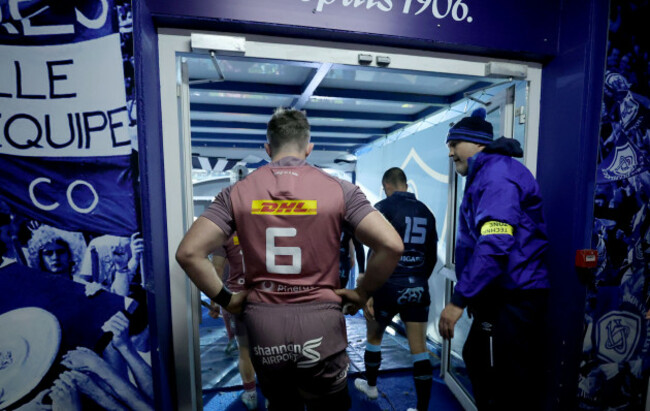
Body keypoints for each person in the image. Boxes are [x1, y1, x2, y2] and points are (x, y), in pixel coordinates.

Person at [176, 107, 403, 411]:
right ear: (309, 148)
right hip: (320, 322)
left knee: (282, 405)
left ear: (267, 149)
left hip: (264, 323)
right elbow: (391, 245)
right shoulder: (340, 190)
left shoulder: (236, 193)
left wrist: (228, 300)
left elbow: (189, 253)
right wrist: (363, 293)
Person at [437, 108, 550, 410]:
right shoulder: (486, 174)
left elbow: (495, 244)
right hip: (502, 295)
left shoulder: (497, 175)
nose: (450, 153)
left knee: (501, 381)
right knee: (480, 360)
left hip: (514, 297)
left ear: (477, 144)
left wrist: (458, 301)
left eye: (454, 144)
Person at [354, 167, 438, 411]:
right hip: (417, 286)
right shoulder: (427, 212)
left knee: (374, 337)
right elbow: (431, 256)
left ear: (386, 186)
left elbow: (375, 250)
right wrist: (418, 278)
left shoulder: (382, 208)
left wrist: (368, 291)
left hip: (387, 286)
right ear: (405, 184)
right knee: (419, 348)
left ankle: (370, 386)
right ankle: (422, 408)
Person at [209, 232, 258, 410]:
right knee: (272, 348)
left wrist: (214, 301)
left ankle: (251, 394)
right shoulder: (263, 221)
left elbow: (216, 268)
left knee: (245, 350)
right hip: (267, 295)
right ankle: (273, 396)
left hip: (239, 296)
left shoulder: (222, 232)